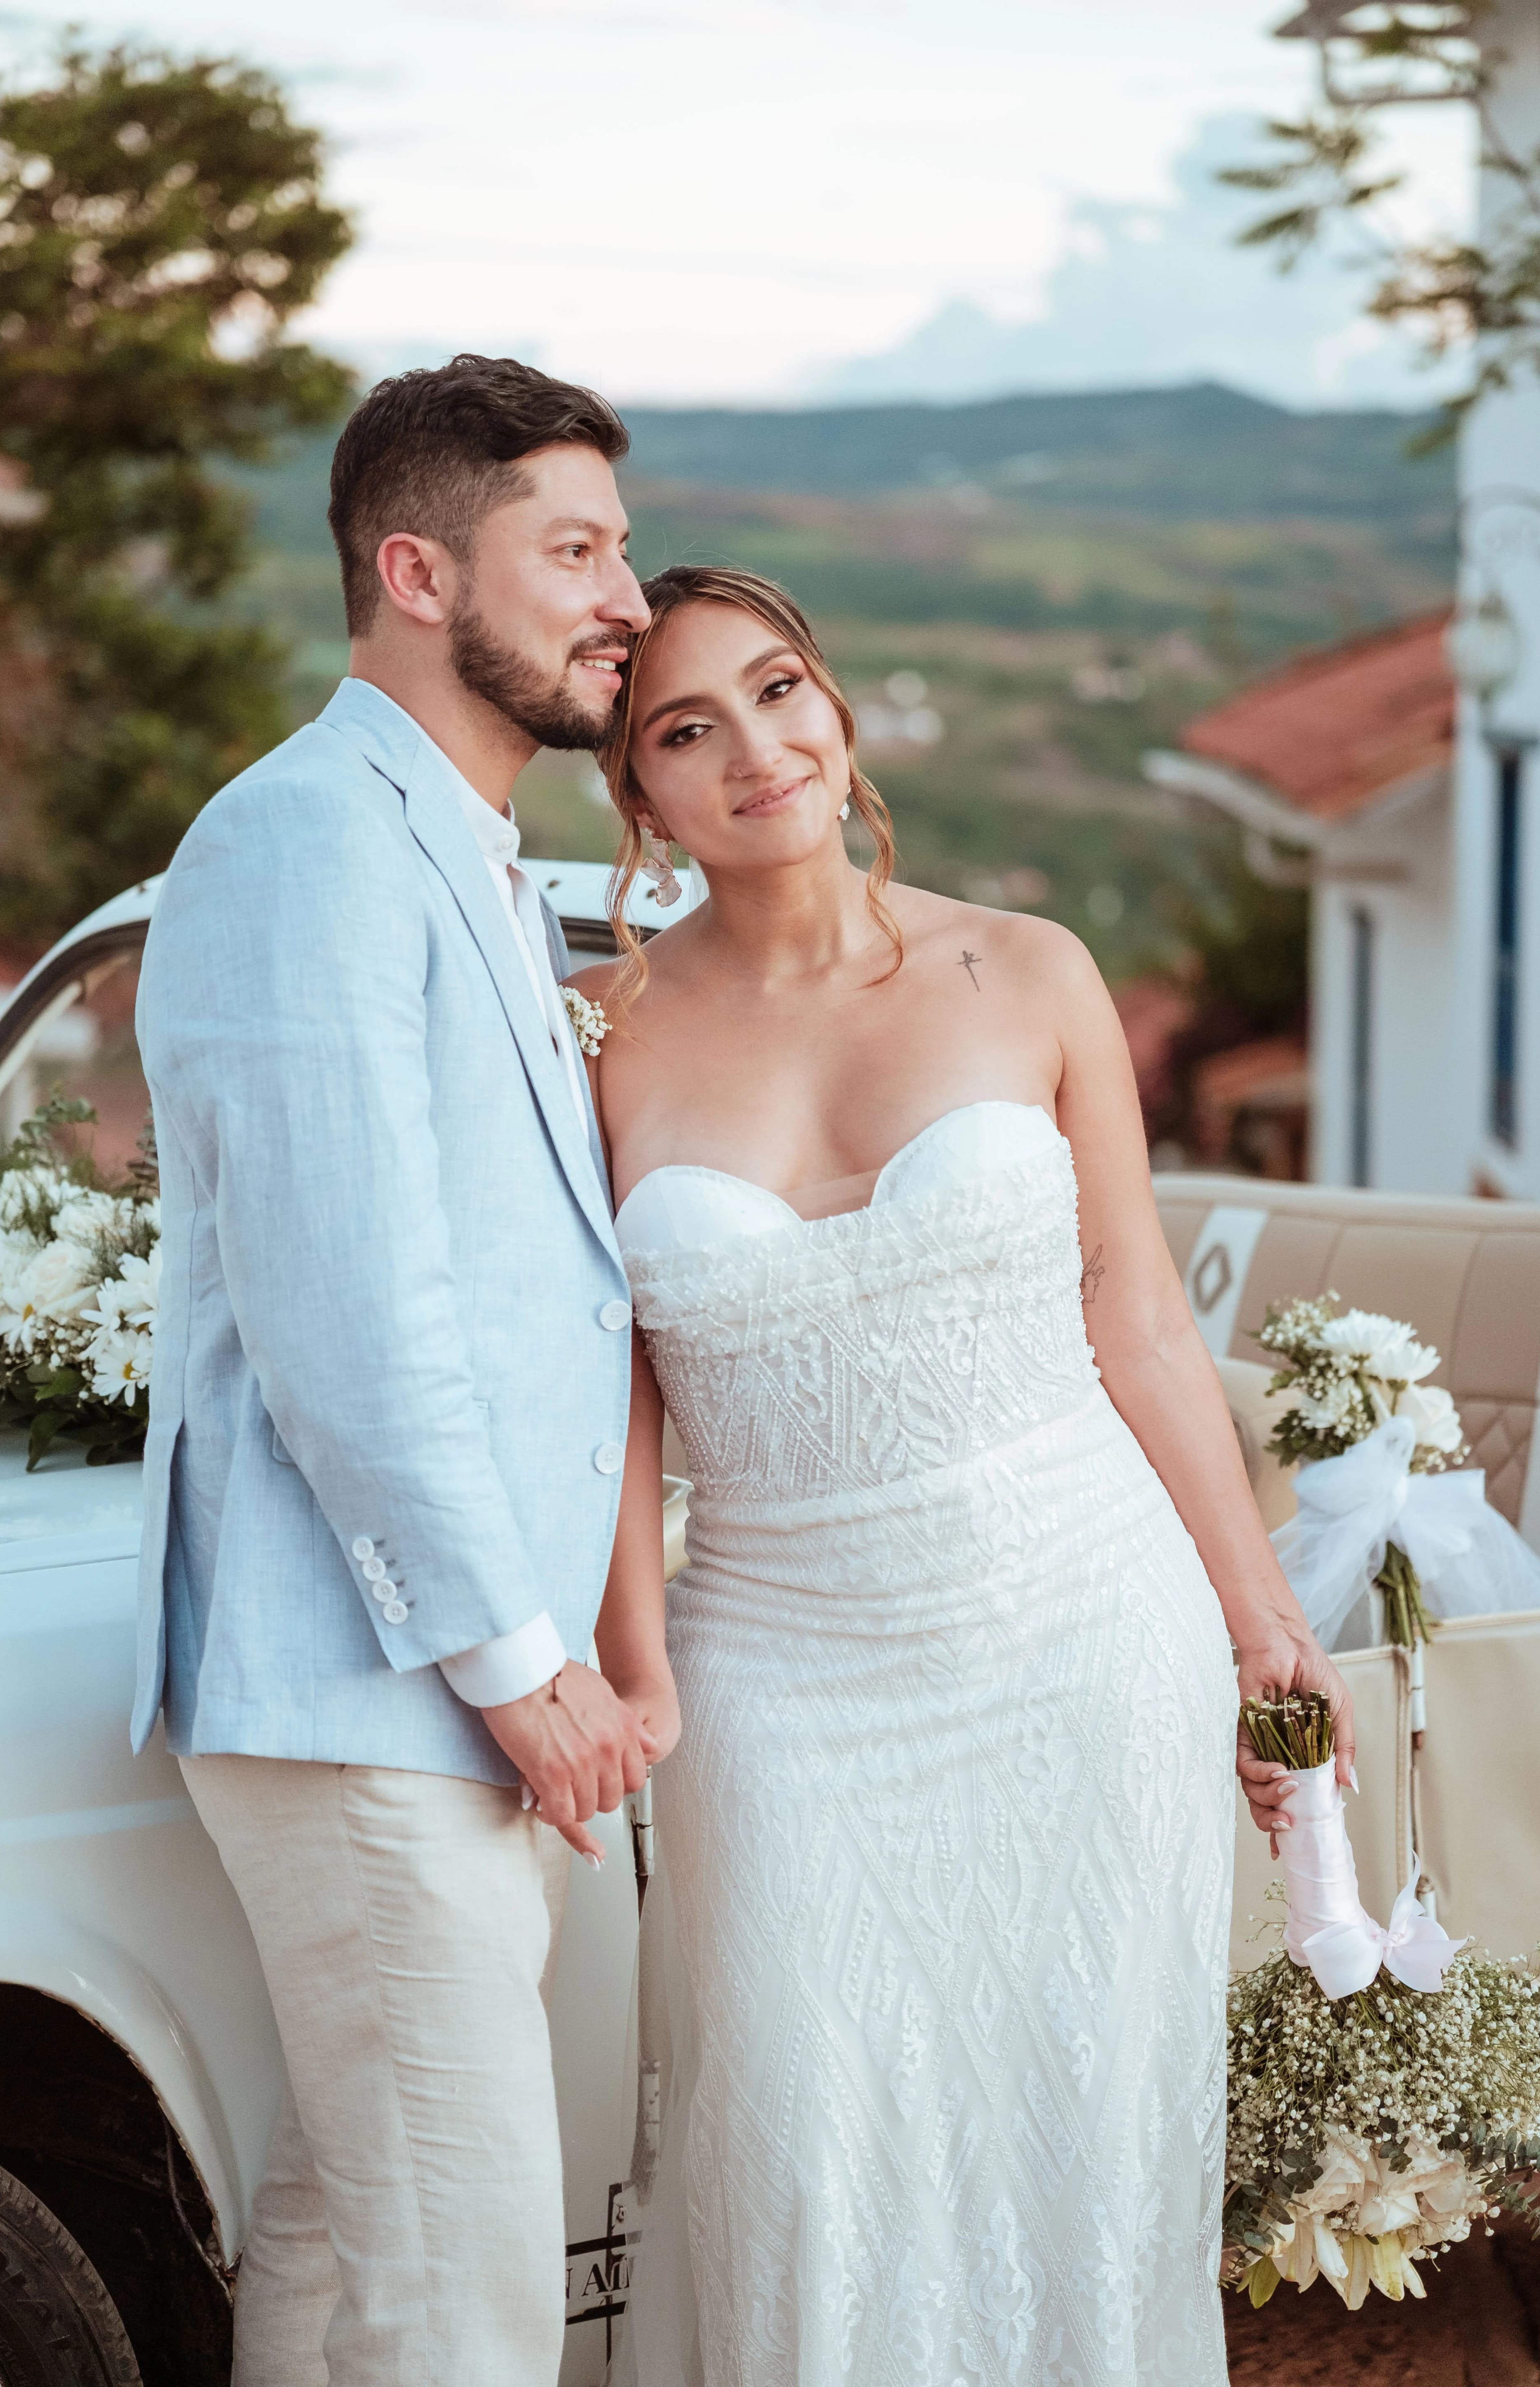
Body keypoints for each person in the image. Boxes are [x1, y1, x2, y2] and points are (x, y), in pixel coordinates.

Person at [574, 565, 1353, 2387]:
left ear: (838, 712)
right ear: (639, 795)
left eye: (780, 693)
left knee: (1084, 2160)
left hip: (1084, 1636)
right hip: (781, 1676)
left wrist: (1261, 1624)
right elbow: (614, 1403)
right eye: (690, 728)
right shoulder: (596, 1041)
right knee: (802, 2164)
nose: (758, 750)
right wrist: (643, 1666)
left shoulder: (1032, 970)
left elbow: (1140, 1321)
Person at [133, 356, 678, 2387]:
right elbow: (347, 1309)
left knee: (347, 2254)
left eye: (619, 548)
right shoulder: (306, 842)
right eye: (576, 550)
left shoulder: (447, 839)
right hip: (372, 1687)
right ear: (418, 571)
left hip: (430, 1700)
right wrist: (524, 1671)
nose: (623, 595)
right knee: (460, 2304)